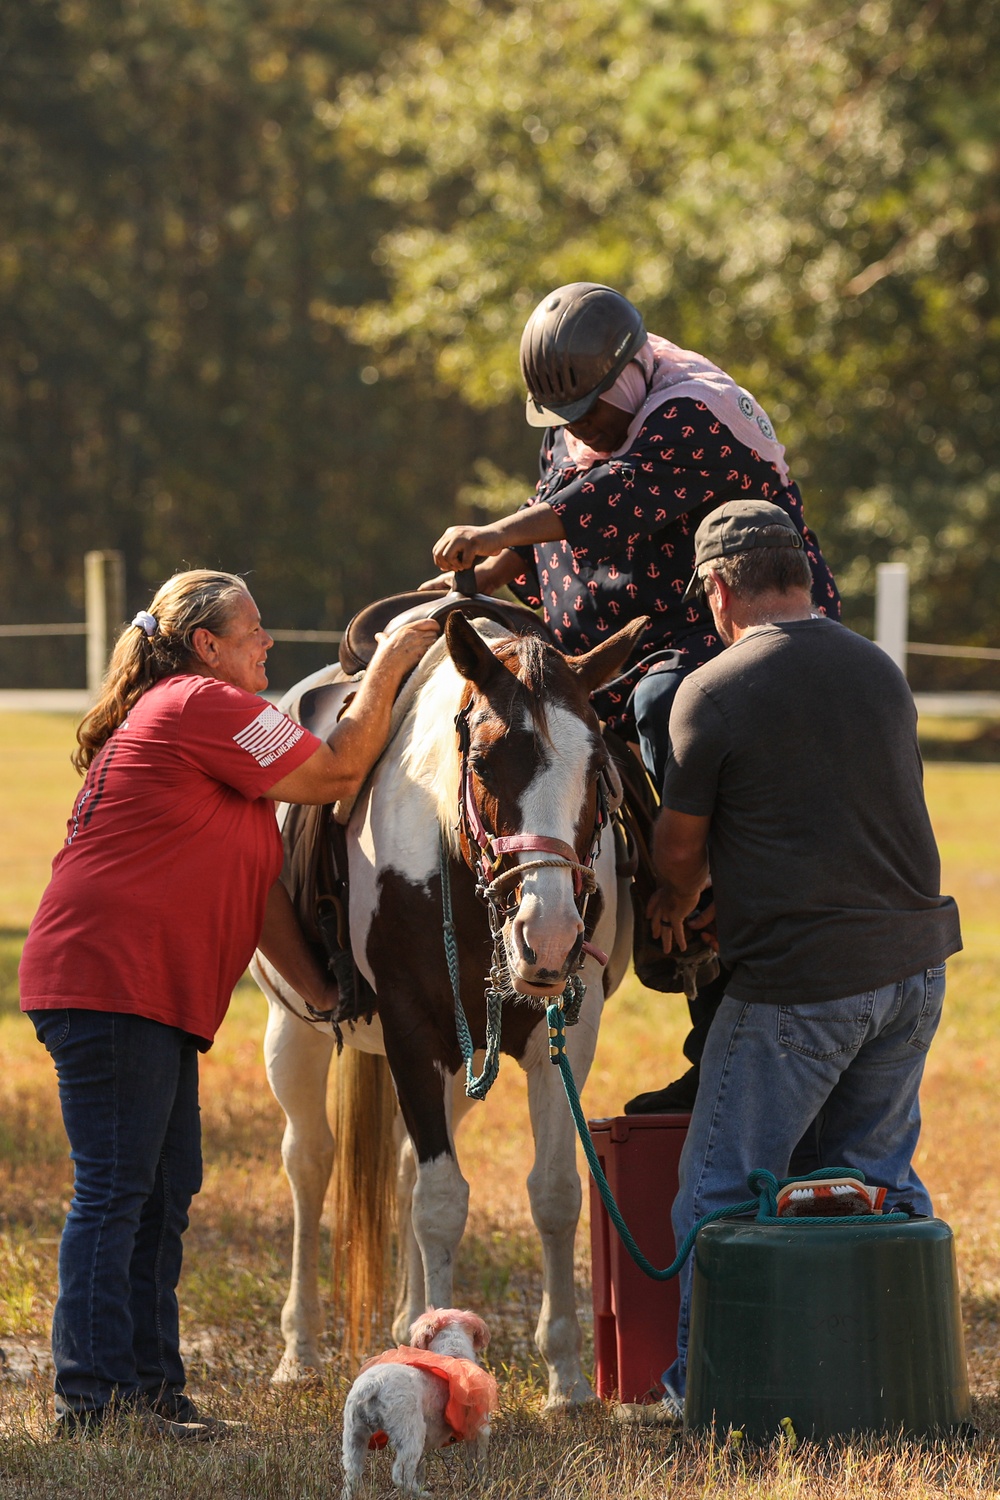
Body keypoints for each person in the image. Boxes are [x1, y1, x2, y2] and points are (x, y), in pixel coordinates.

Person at [19, 569, 438, 1439]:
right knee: (116, 1191)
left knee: (164, 1188)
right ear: (207, 645)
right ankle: (89, 1403)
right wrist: (397, 654)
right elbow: (337, 771)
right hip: (110, 978)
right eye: (253, 630)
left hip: (139, 987)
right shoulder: (200, 703)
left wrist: (323, 995)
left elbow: (256, 897)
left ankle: (150, 1392)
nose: (268, 643)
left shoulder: (204, 735)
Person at [426, 281, 841, 1107]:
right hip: (609, 645)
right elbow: (553, 522)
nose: (577, 429)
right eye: (563, 417)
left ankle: (705, 885)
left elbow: (612, 500)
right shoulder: (579, 428)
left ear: (624, 377)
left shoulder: (694, 411)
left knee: (666, 710)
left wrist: (496, 531)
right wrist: (485, 574)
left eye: (587, 410)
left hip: (697, 633)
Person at [633, 498, 961, 1420]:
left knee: (716, 1193)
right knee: (876, 1186)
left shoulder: (714, 688)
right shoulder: (878, 670)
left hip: (802, 986)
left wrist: (673, 899)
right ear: (803, 575)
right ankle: (889, 1383)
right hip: (916, 965)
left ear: (720, 588)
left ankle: (707, 1393)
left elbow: (679, 851)